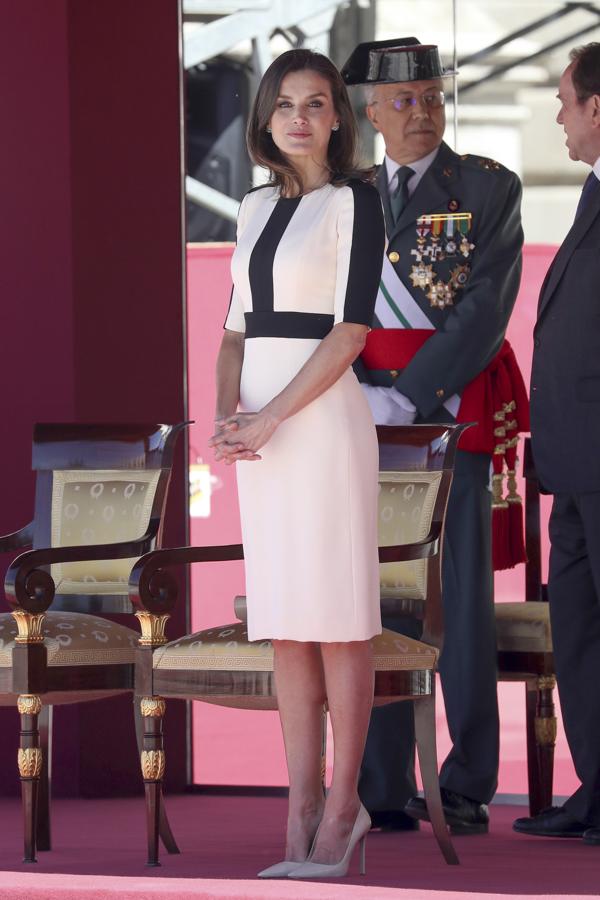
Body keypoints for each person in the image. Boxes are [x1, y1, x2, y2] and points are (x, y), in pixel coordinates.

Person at [208, 49, 386, 878]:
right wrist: (227, 417)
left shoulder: (359, 201)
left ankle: (344, 812)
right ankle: (300, 811)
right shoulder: (247, 207)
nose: (301, 119)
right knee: (285, 626)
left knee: (340, 623)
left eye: (317, 104)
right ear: (266, 119)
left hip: (319, 429)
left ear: (339, 118)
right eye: (286, 105)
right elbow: (236, 331)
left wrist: (271, 416)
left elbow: (351, 334)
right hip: (261, 439)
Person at [341, 37, 524, 834]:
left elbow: (485, 308)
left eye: (432, 97)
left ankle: (467, 780)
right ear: (371, 112)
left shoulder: (486, 186)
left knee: (460, 605)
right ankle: (380, 784)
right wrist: (355, 397)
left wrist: (411, 396)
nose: (422, 112)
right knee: (378, 604)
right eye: (404, 101)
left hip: (449, 424)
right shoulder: (344, 195)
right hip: (360, 426)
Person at [513, 42, 600, 846]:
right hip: (574, 466)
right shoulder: (591, 191)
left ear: (597, 107)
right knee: (575, 631)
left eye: (566, 101)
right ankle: (596, 793)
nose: (559, 117)